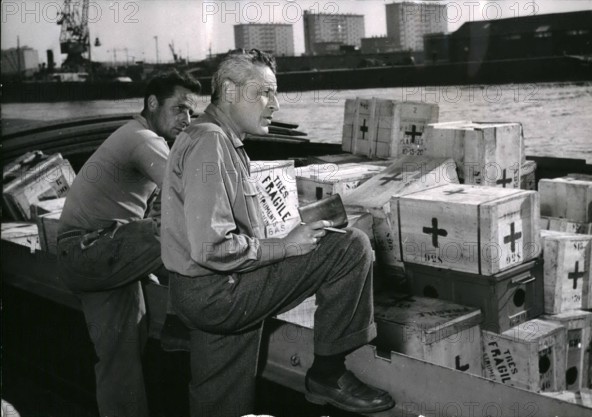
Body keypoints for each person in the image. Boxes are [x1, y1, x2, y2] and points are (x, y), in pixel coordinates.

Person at [161, 49, 395, 417]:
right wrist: (285, 247)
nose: (276, 104)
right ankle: (328, 374)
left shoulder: (209, 136)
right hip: (219, 291)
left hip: (195, 292)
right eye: (265, 92)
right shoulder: (211, 143)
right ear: (230, 91)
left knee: (218, 398)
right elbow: (211, 246)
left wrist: (285, 237)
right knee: (350, 247)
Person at [56, 71, 202, 417]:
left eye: (192, 113)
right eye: (179, 108)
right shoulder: (142, 139)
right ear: (152, 104)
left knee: (121, 356)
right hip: (91, 250)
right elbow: (189, 194)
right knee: (173, 228)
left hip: (92, 254)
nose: (187, 119)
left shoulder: (137, 135)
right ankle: (179, 322)